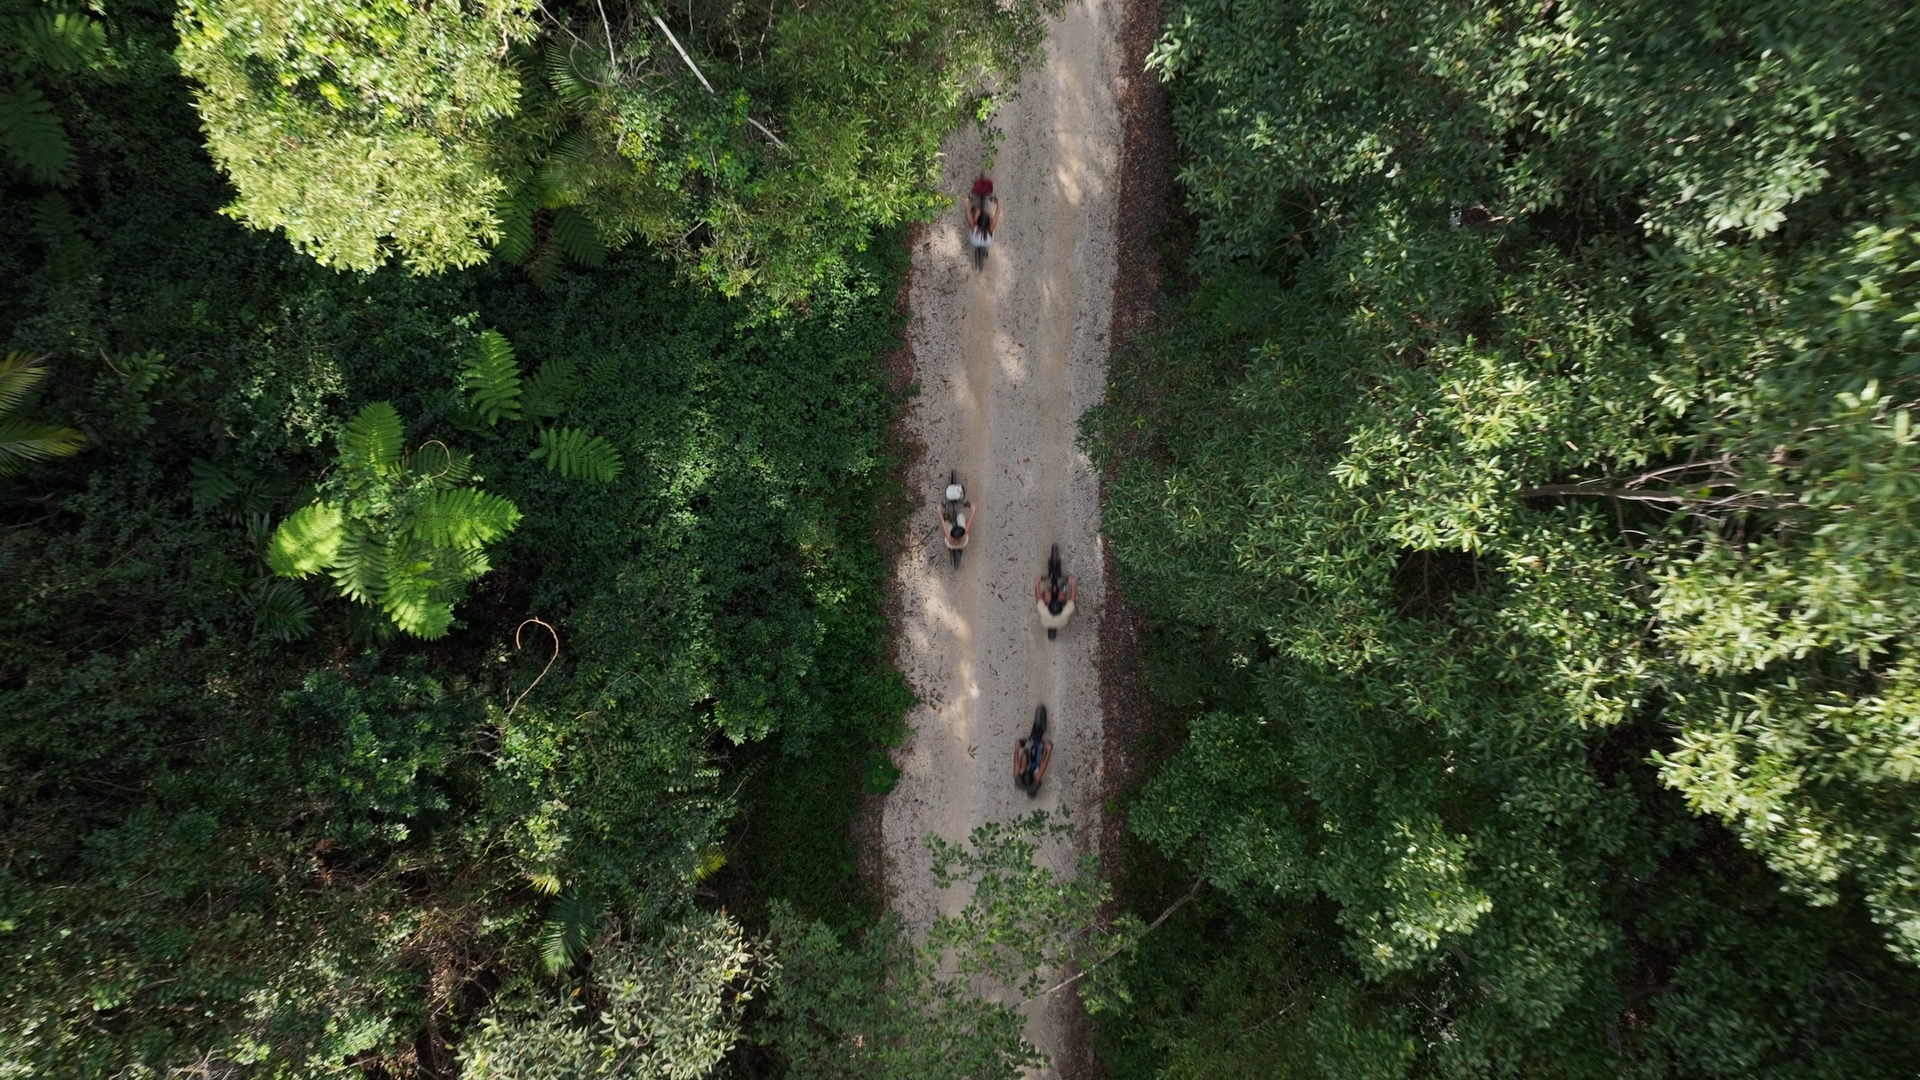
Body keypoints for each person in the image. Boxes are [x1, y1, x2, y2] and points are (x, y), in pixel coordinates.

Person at [965, 175, 1000, 253]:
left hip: (974, 242)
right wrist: (998, 204)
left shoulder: (975, 229)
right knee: (991, 216)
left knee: (976, 213)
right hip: (987, 242)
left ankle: (975, 212)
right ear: (988, 224)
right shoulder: (990, 229)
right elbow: (997, 214)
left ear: (978, 223)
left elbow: (968, 216)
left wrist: (966, 205)